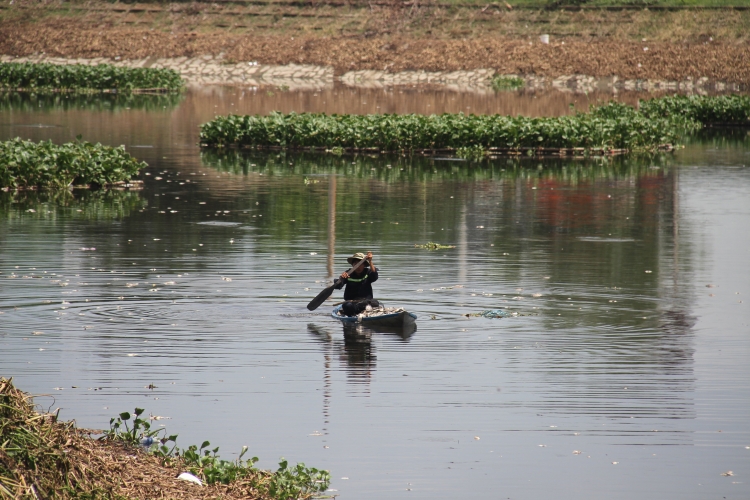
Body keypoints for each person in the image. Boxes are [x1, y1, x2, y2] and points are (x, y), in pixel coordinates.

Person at [335, 251, 379, 316]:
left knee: (376, 303)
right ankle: (353, 318)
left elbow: (374, 277)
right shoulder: (348, 273)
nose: (358, 266)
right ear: (352, 265)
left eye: (360, 264)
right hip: (352, 303)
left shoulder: (368, 272)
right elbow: (338, 286)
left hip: (366, 302)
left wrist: (370, 261)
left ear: (364, 265)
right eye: (355, 263)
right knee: (348, 306)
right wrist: (341, 278)